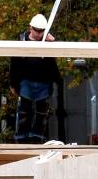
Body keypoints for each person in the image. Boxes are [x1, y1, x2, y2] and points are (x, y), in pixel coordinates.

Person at [9, 13, 61, 143]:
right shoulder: (22, 42)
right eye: (37, 31)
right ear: (30, 28)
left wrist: (52, 44)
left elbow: (54, 61)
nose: (39, 34)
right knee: (24, 111)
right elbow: (14, 64)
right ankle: (21, 138)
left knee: (41, 113)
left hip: (43, 82)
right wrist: (13, 84)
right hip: (26, 80)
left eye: (42, 31)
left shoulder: (47, 42)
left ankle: (37, 139)